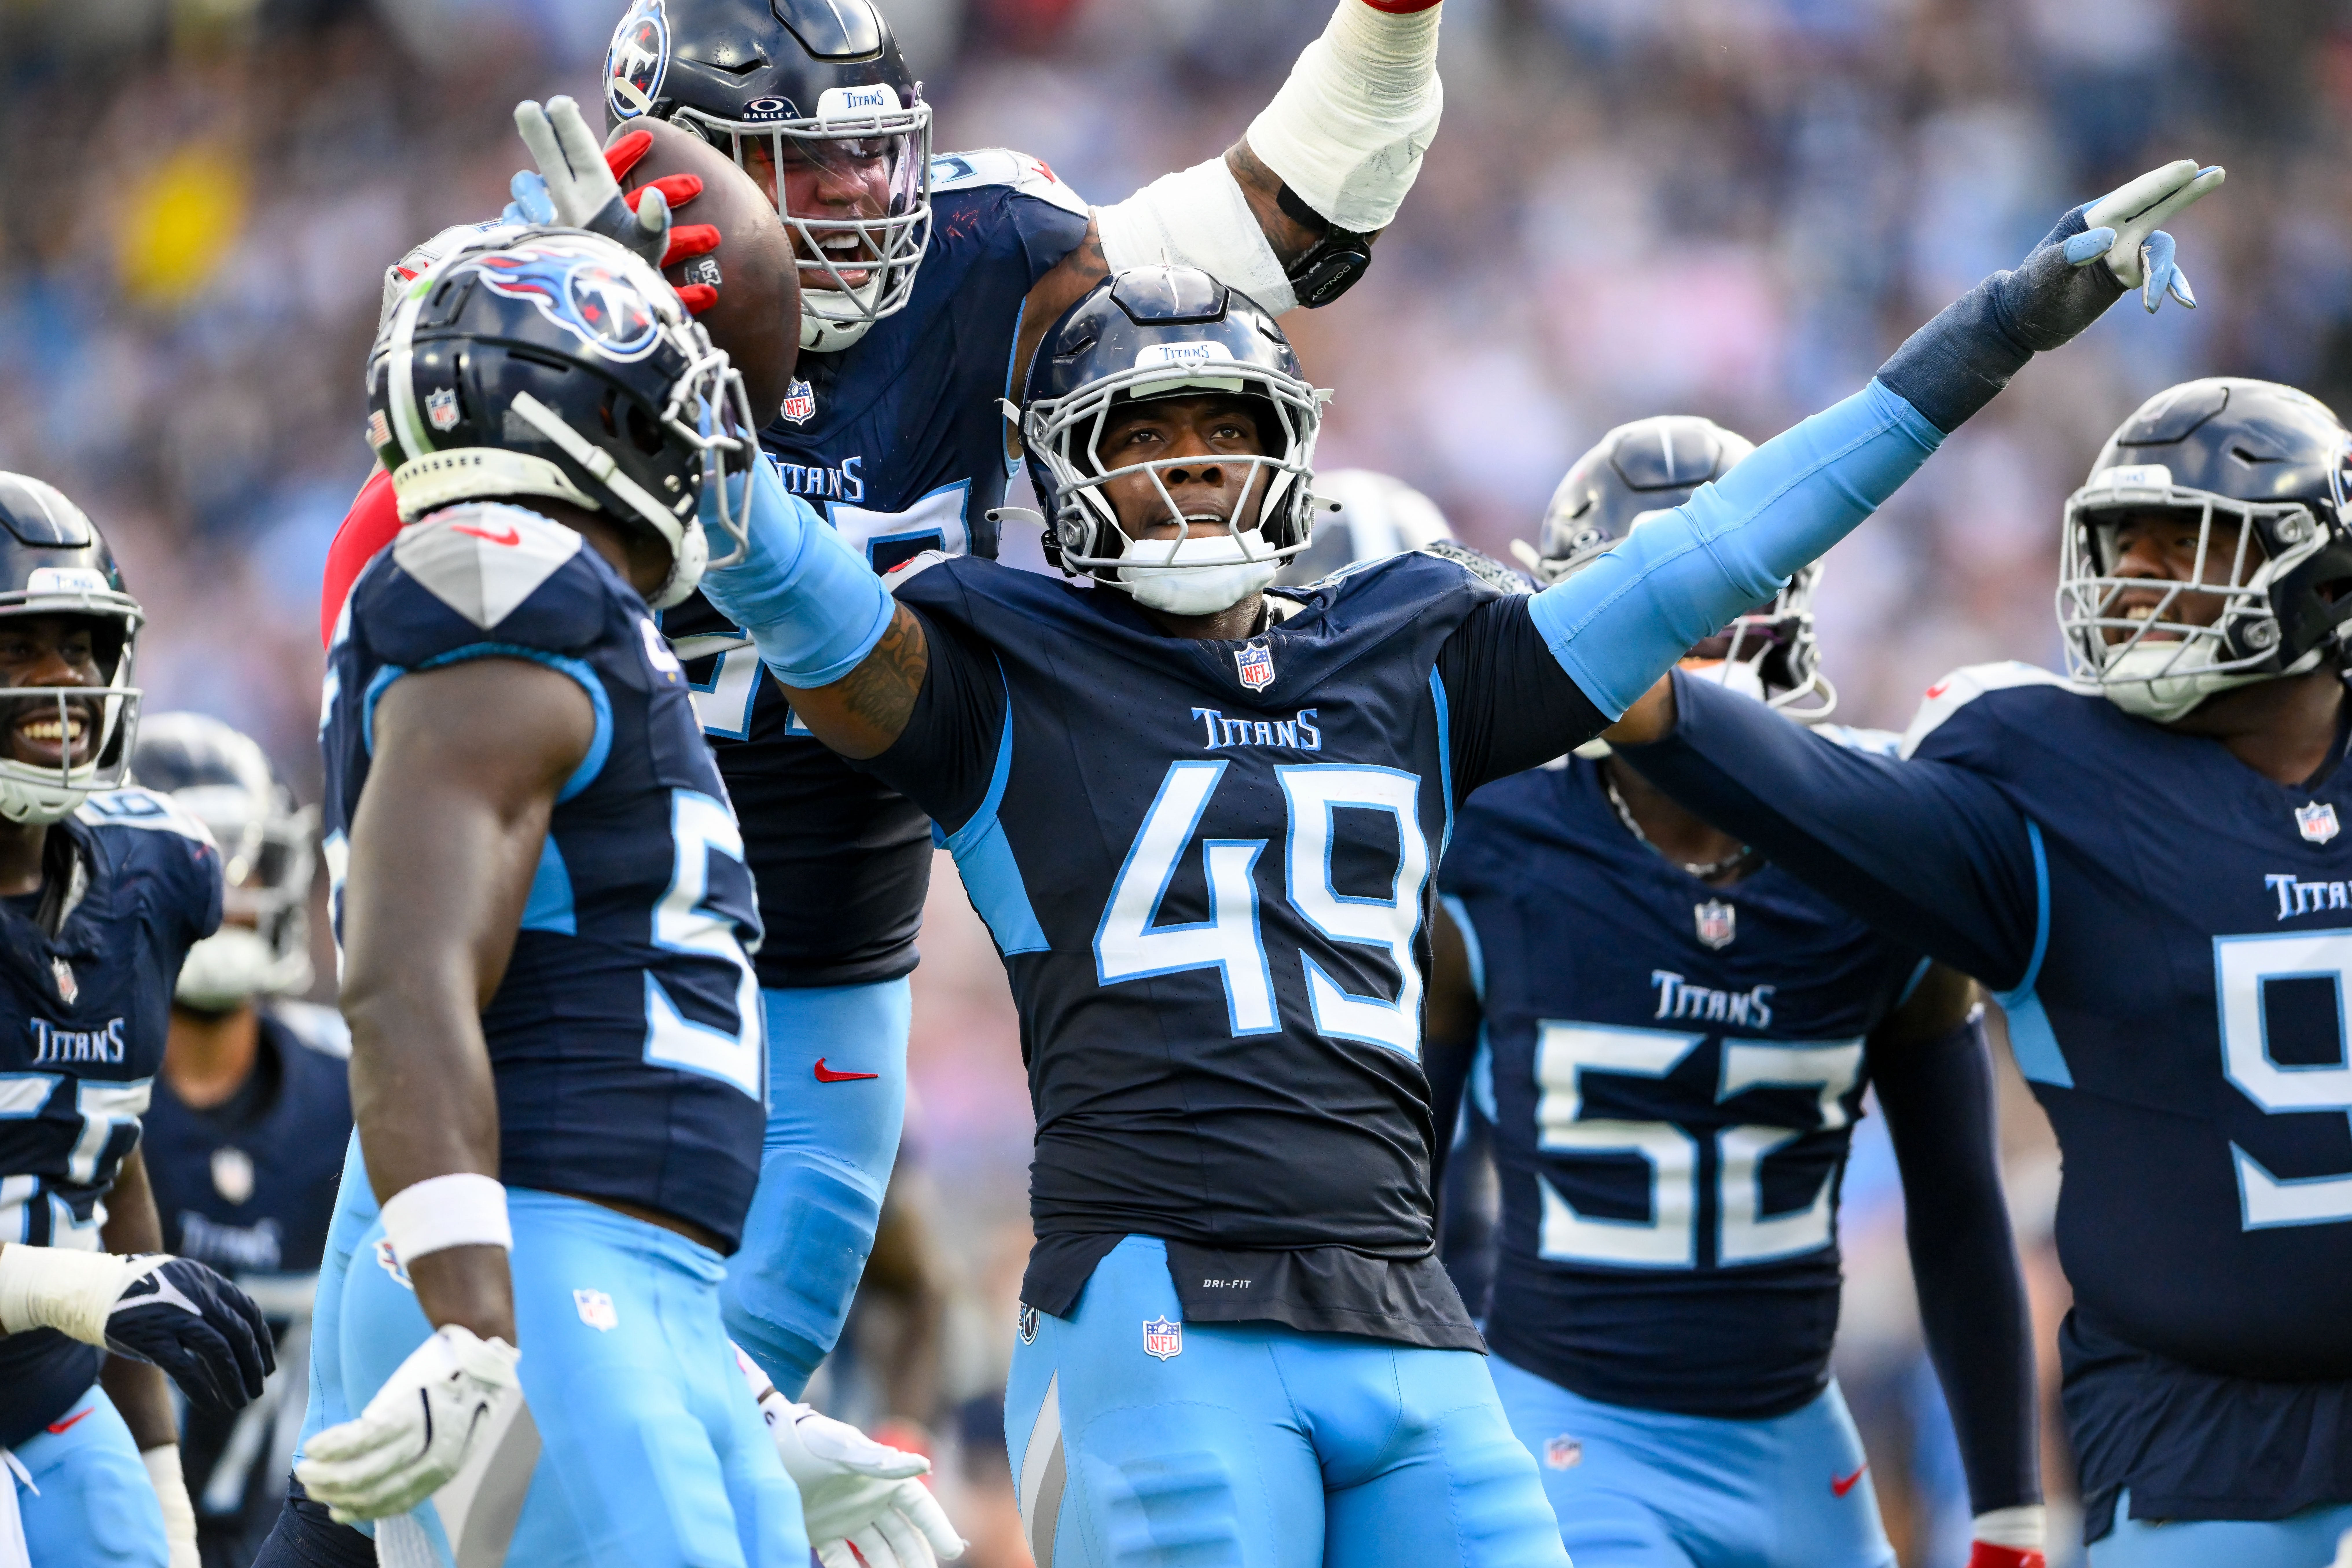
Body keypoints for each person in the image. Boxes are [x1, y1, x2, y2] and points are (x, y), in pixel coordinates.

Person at [687, 154, 2219, 1563]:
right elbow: (803, 592)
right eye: (1144, 435)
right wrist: (664, 389)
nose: (1195, 468)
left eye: (1227, 428)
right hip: (1160, 1307)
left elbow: (1725, 547)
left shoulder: (1413, 646)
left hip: (1407, 1321)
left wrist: (1992, 334)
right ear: (1066, 467)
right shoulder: (1000, 661)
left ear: (1291, 450)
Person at [1601, 375, 2352, 1568]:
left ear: (2326, 576)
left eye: (2186, 543)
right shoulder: (2047, 782)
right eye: (2122, 544)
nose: (2137, 576)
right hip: (2199, 1429)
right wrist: (1610, 649)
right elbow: (1758, 769)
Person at [1425, 416, 2046, 1568]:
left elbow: (1957, 1203)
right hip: (1568, 1420)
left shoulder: (1880, 838)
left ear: (1789, 598)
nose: (1678, 625)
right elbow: (1408, 1171)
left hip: (1796, 1435)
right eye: (1635, 592)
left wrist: (2008, 1508)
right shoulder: (1490, 831)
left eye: (1717, 593)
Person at [283, 227, 804, 1568]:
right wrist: (473, 1319)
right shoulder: (501, 570)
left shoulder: (576, 611)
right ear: (581, 407)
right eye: (667, 397)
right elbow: (405, 974)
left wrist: (743, 1395)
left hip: (639, 1287)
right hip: (548, 1274)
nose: (696, 438)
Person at [0, 476, 275, 1567]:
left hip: (54, 1402)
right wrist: (90, 1290)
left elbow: (109, 1149)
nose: (62, 683)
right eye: (20, 650)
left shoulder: (156, 873)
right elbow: (104, 1284)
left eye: (80, 648)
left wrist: (163, 1478)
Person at [134, 713, 350, 1568]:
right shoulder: (70, 1092)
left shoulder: (357, 1089)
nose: (229, 896)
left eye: (247, 861)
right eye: (198, 861)